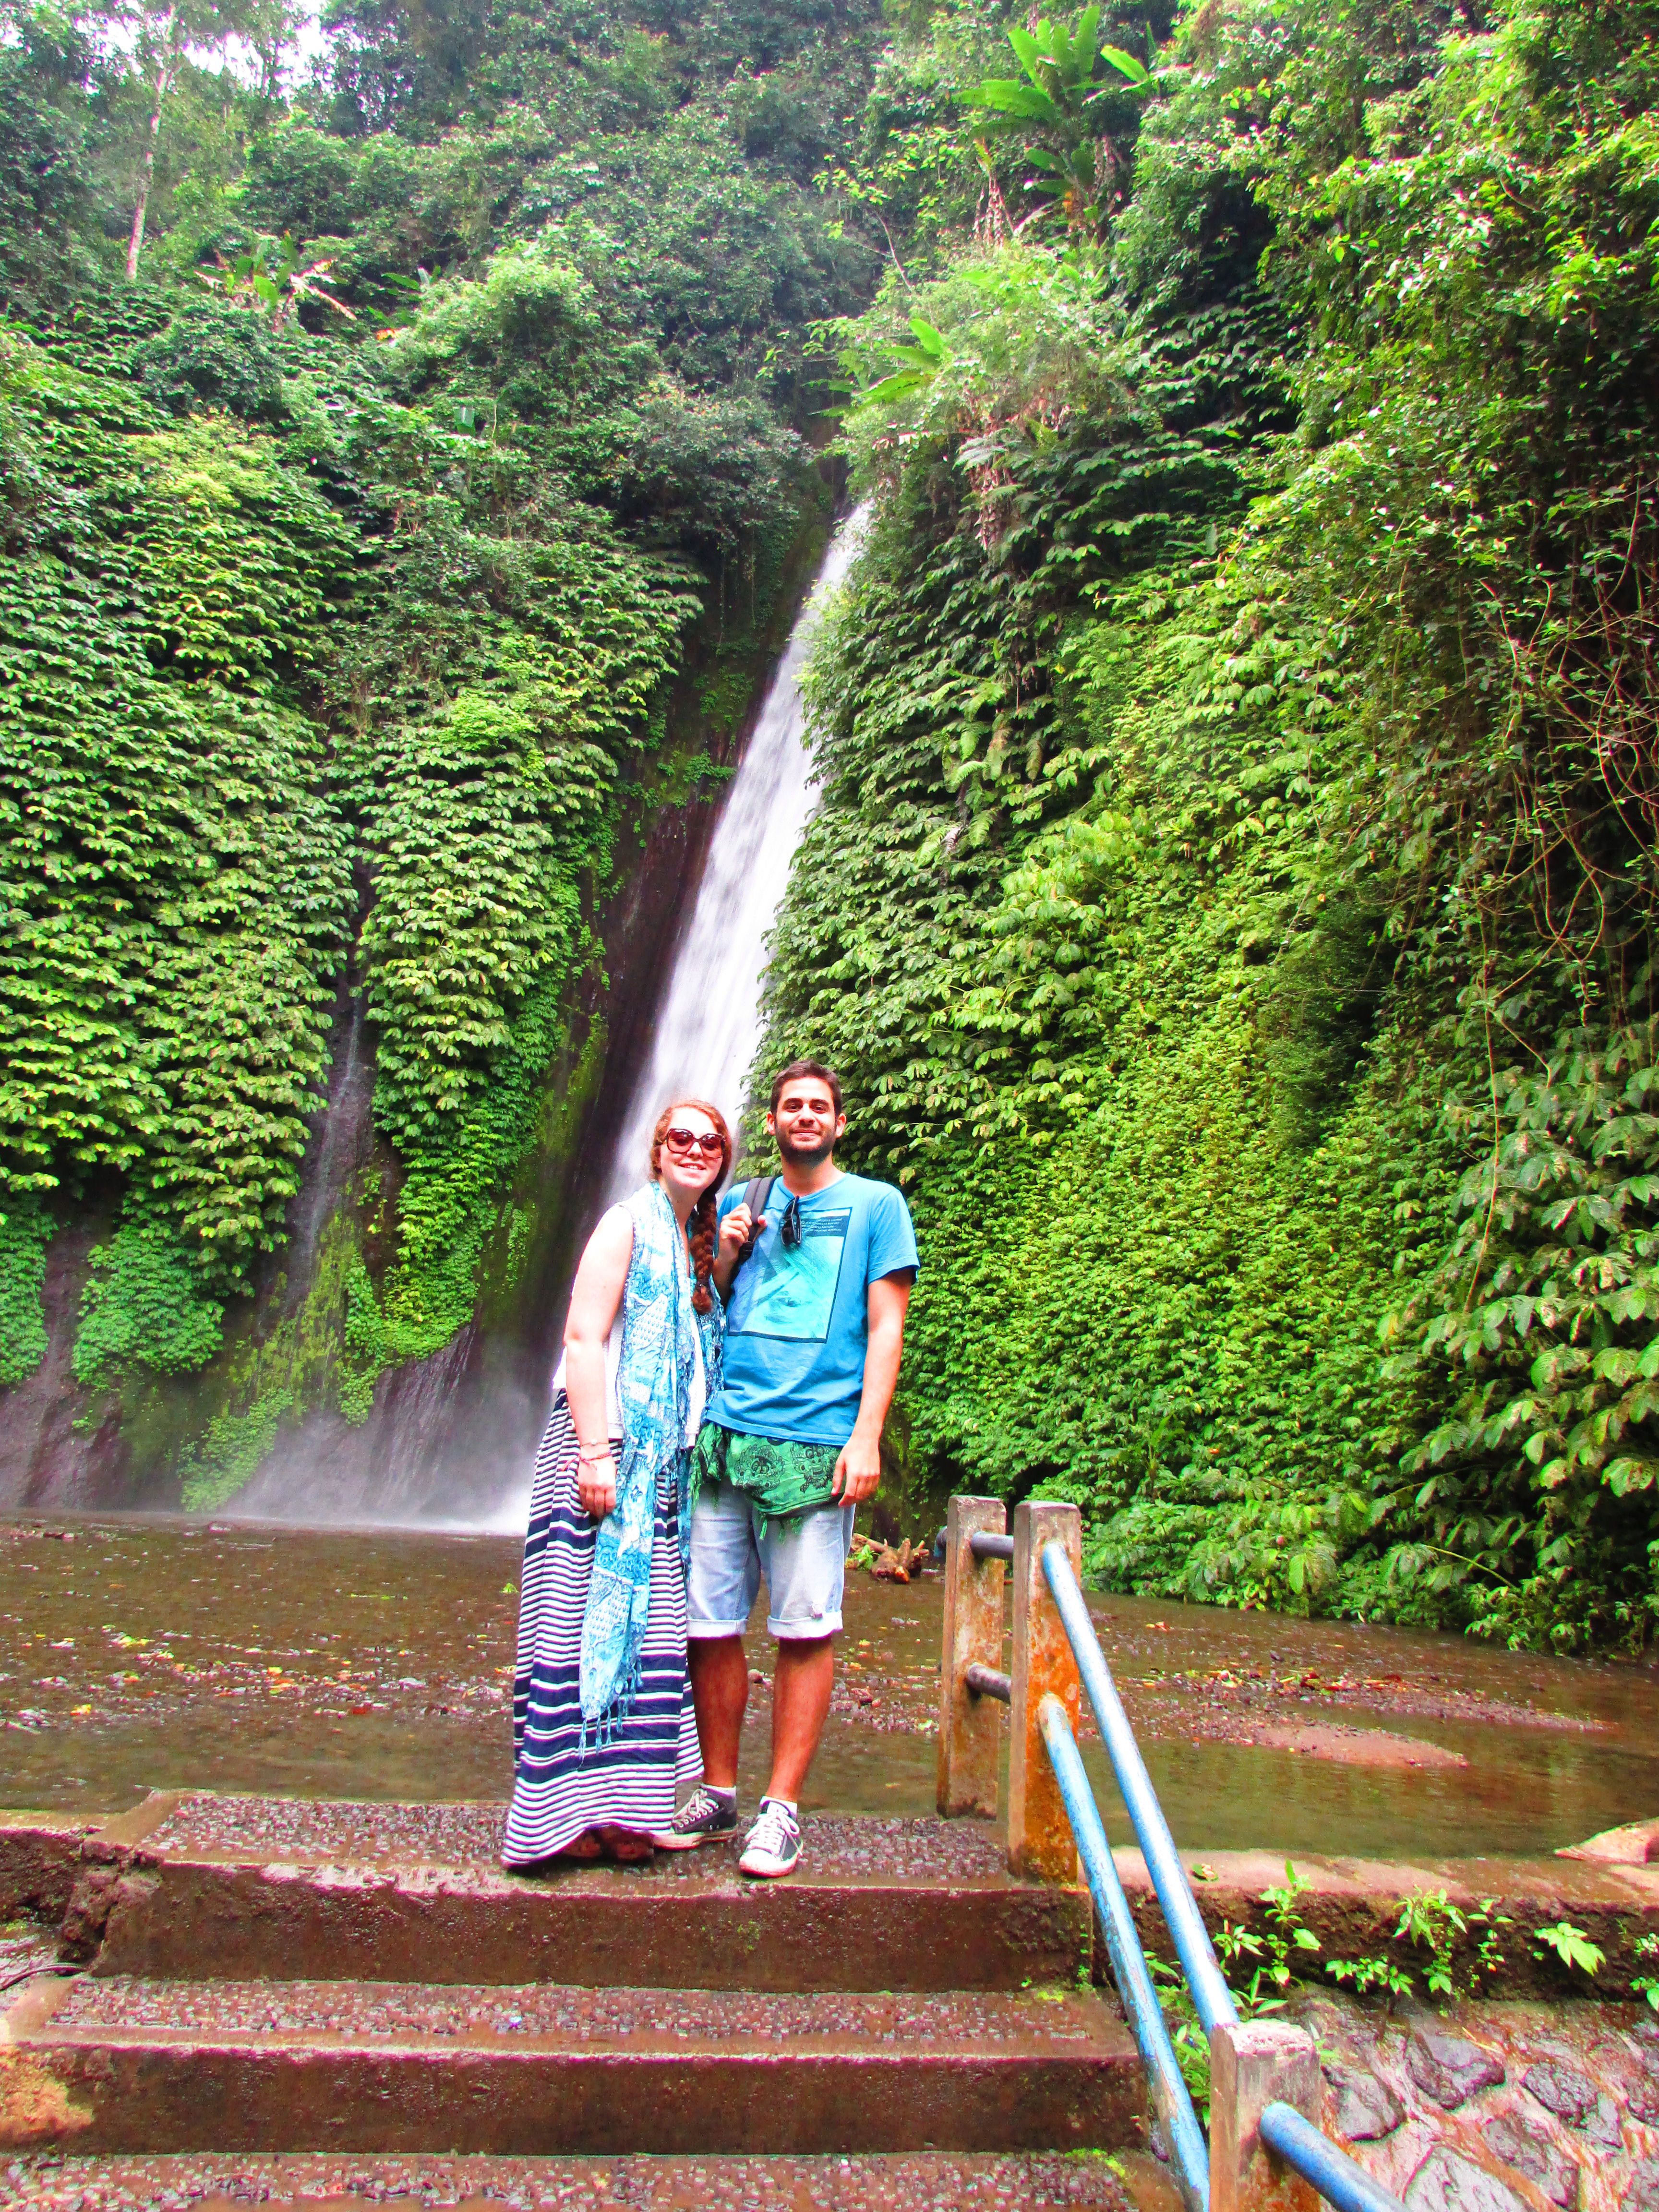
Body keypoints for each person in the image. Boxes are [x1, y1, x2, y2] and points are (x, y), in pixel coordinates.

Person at [648, 1059, 918, 1878]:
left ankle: (783, 1809)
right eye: (791, 1106)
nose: (805, 1116)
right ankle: (718, 1792)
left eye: (818, 1107)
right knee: (708, 1623)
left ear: (839, 1122)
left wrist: (867, 1437)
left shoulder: (877, 1205)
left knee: (805, 1625)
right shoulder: (743, 1197)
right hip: (726, 1435)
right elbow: (706, 1303)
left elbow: (887, 1327)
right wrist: (726, 1253)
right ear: (771, 1122)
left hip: (817, 1442)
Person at [502, 1099, 729, 1869]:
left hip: (662, 1466)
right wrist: (596, 1454)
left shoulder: (693, 1244)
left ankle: (627, 1813)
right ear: (658, 1149)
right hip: (605, 1451)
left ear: (722, 1160)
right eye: (681, 1137)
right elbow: (583, 1339)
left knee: (652, 1641)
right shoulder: (626, 1223)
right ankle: (561, 1819)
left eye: (710, 1141)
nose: (695, 1148)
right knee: (578, 1630)